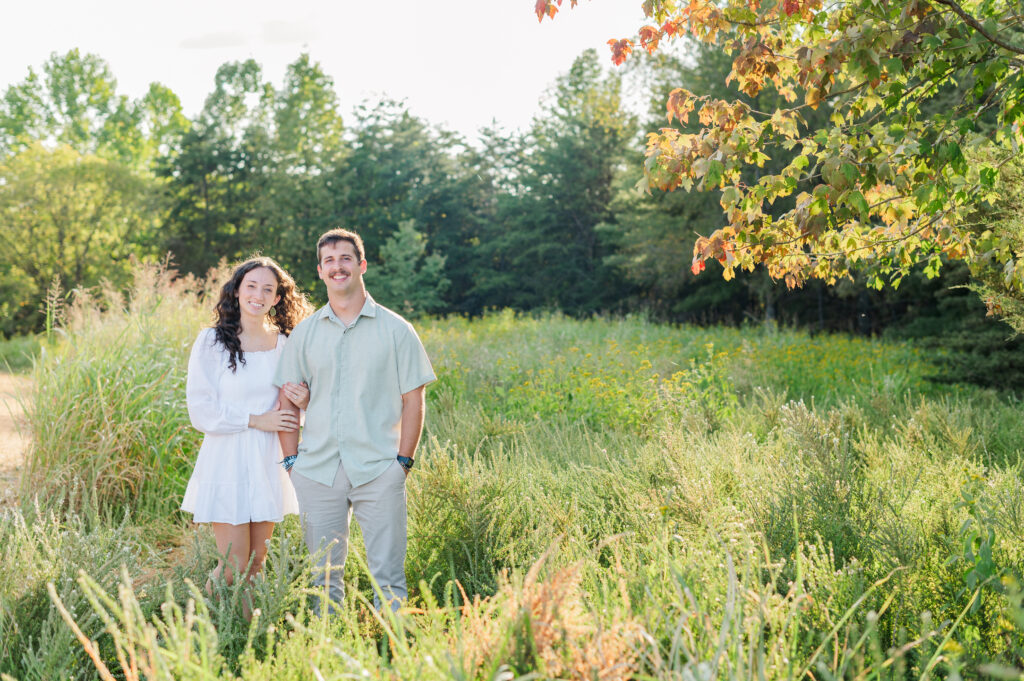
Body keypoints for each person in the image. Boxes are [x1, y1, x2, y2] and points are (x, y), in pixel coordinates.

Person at [274, 228, 436, 613]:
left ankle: (394, 659)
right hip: (316, 470)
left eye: (345, 258)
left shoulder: (397, 330)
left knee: (389, 578)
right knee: (323, 579)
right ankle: (326, 659)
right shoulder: (306, 333)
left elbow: (414, 400)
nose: (337, 267)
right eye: (329, 260)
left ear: (361, 265)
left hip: (380, 468)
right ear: (320, 270)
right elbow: (286, 400)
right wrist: (291, 461)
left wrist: (403, 463)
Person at [182, 257, 313, 607]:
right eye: (251, 286)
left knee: (257, 563)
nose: (258, 294)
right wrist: (256, 420)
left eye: (267, 289)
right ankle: (193, 626)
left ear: (277, 299)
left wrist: (306, 401)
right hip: (226, 459)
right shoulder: (212, 342)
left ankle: (244, 638)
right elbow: (201, 410)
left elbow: (294, 407)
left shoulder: (286, 344)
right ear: (237, 290)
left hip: (268, 461)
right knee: (233, 565)